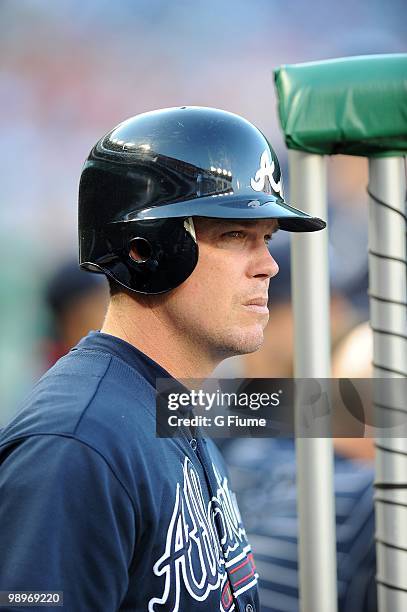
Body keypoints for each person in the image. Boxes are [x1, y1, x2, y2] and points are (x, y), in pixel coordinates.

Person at [0, 106, 325, 611]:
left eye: (267, 238)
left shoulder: (169, 402)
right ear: (143, 248)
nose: (269, 265)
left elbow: (342, 408)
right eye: (235, 235)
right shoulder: (74, 443)